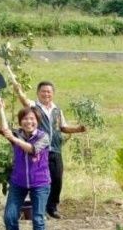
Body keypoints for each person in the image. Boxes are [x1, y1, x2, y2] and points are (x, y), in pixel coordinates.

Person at [12, 79, 87, 219]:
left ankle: (52, 207)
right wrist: (18, 90)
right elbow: (24, 101)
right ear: (38, 93)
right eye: (43, 91)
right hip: (40, 149)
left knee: (57, 179)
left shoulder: (57, 110)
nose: (46, 94)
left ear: (53, 94)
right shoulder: (34, 107)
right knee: (41, 180)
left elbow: (63, 127)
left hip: (56, 149)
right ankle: (39, 208)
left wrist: (79, 129)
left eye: (49, 92)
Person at [0, 97, 52, 230]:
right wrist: (1, 109)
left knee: (38, 218)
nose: (29, 122)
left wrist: (14, 140)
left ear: (37, 122)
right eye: (25, 119)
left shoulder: (44, 136)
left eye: (32, 119)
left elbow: (31, 149)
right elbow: (2, 128)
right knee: (9, 217)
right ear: (20, 122)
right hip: (18, 182)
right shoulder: (17, 133)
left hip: (40, 183)